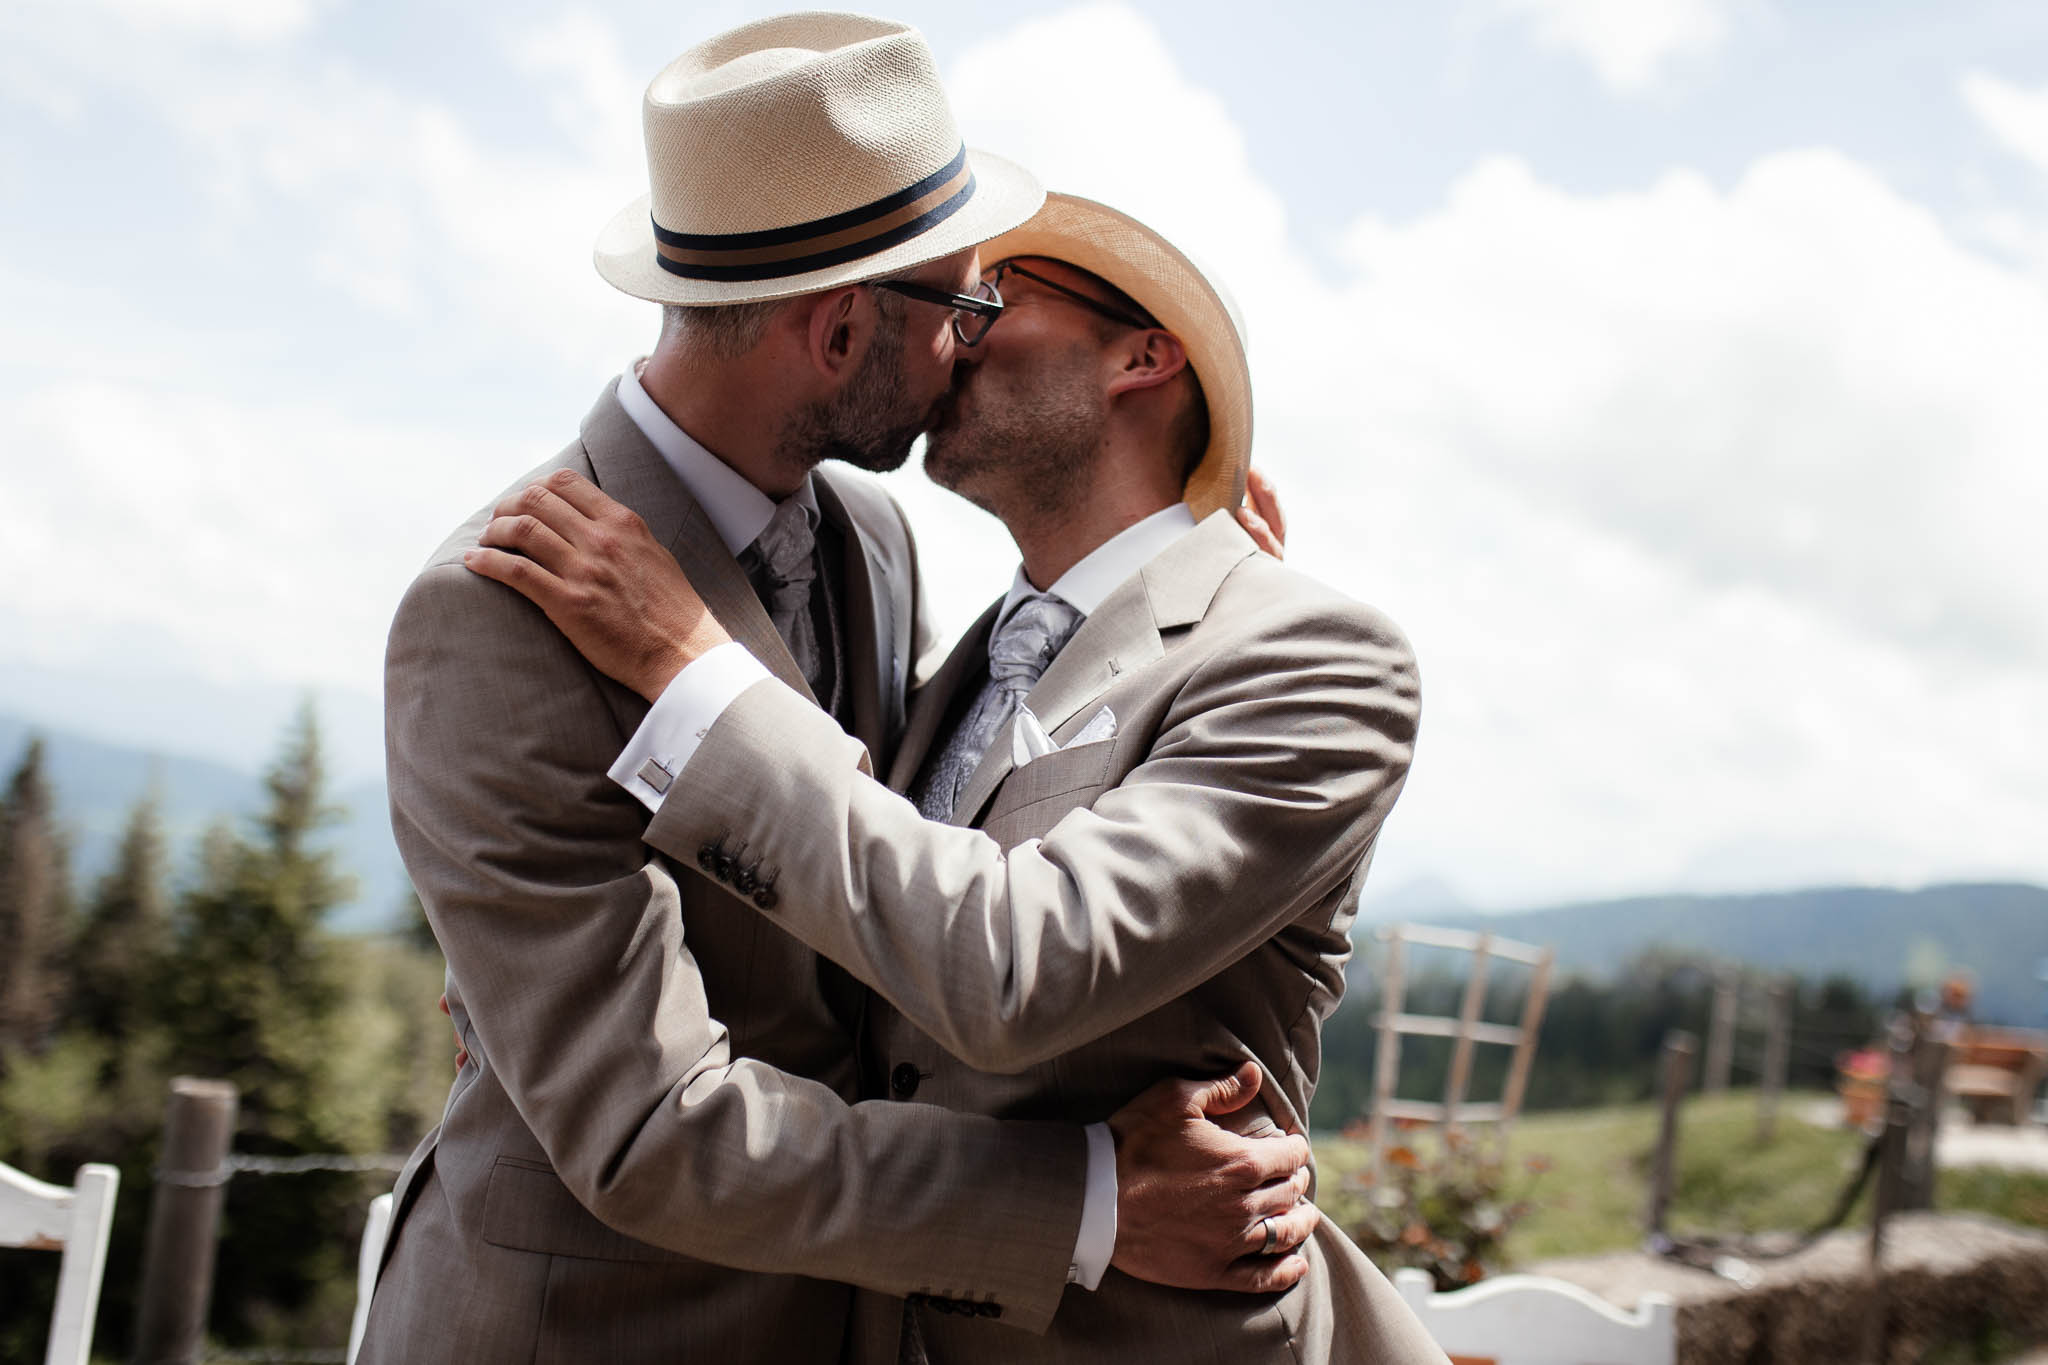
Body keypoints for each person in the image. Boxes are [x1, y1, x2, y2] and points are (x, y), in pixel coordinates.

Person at [362, 17, 1319, 1364]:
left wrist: (1186, 553)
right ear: (840, 330)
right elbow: (648, 1129)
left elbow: (924, 835)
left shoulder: (863, 544)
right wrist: (1092, 1199)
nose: (973, 344)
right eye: (962, 308)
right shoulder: (493, 614)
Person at [468, 194, 1450, 1362]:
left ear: (1143, 355)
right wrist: (513, 960)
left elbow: (1015, 964)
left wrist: (695, 676)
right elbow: (858, 879)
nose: (948, 334)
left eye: (992, 302)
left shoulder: (1311, 654)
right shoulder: (959, 655)